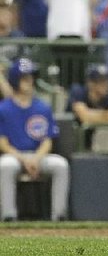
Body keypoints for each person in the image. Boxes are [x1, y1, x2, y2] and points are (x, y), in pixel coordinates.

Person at [0, 58, 70, 222]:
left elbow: (47, 141)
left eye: (31, 77)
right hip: (15, 156)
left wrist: (36, 159)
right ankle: (8, 216)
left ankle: (59, 216)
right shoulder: (4, 108)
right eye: (25, 78)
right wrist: (24, 160)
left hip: (38, 156)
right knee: (5, 165)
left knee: (60, 165)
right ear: (16, 80)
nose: (29, 81)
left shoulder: (42, 107)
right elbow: (2, 143)